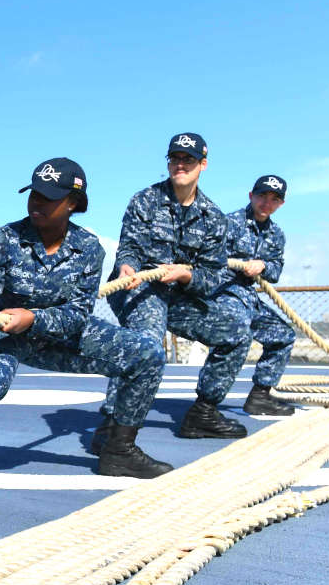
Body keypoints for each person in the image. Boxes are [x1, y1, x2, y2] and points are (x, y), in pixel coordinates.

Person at [0, 159, 170, 479]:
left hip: (59, 336)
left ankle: (118, 449)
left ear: (73, 203)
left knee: (146, 354)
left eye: (48, 197)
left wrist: (33, 318)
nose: (37, 203)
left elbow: (77, 314)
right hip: (3, 334)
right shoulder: (5, 238)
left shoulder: (88, 247)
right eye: (34, 194)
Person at [99, 133, 251, 445]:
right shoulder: (144, 201)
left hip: (181, 294)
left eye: (188, 159)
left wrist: (185, 275)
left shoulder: (214, 218)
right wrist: (127, 267)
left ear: (203, 165)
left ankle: (204, 413)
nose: (180, 164)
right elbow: (129, 248)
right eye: (175, 158)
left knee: (237, 330)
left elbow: (212, 276)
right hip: (139, 289)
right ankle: (113, 424)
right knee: (145, 342)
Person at [215, 175, 296, 416]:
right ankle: (206, 405)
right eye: (262, 196)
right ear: (251, 196)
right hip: (221, 292)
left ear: (281, 204)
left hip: (247, 295)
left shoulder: (276, 235)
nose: (266, 203)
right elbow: (206, 260)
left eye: (274, 199)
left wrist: (262, 265)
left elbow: (276, 270)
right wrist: (239, 264)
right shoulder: (227, 223)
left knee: (283, 335)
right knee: (239, 333)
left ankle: (260, 396)